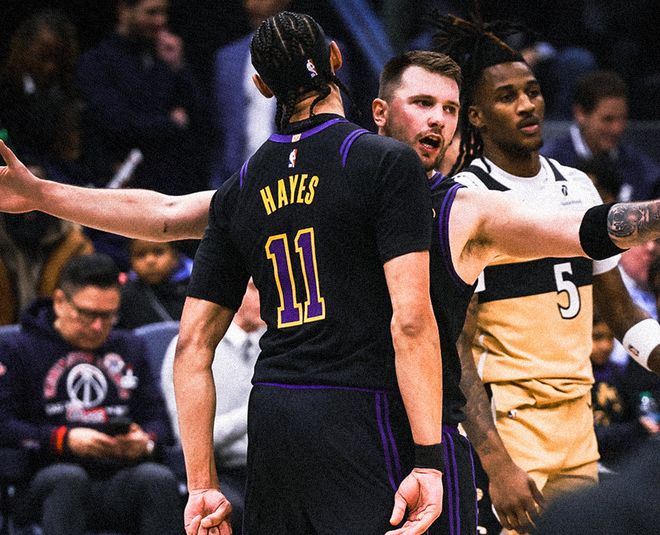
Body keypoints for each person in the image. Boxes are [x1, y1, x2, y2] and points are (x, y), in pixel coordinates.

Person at [2, 35, 660, 534]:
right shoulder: (337, 176)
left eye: (451, 109)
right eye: (422, 103)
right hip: (357, 429)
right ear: (380, 111)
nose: (437, 121)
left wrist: (42, 195)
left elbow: (588, 228)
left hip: (364, 430)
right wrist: (42, 195)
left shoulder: (462, 207)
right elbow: (168, 213)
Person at [176, 12, 445, 535]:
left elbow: (191, 346)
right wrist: (428, 460)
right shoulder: (385, 163)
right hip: (356, 407)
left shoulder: (239, 187)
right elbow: (411, 322)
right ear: (336, 58)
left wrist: (202, 485)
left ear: (262, 85)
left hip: (272, 412)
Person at [428, 11, 660, 528]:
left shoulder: (577, 185)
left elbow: (622, 313)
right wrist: (496, 463)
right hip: (511, 425)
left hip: (579, 422)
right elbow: (454, 345)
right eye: (506, 96)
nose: (527, 104)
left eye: (532, 91)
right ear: (475, 116)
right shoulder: (467, 198)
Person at [0, 253, 182, 535]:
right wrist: (63, 439)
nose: (98, 327)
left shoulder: (130, 346)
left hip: (118, 474)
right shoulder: (18, 348)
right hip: (45, 476)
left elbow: (159, 420)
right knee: (68, 479)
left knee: (157, 479)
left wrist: (144, 441)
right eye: (87, 314)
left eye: (108, 316)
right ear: (60, 302)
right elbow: (5, 426)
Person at [161, 279, 265, 534]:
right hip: (221, 471)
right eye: (255, 288)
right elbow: (188, 437)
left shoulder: (281, 346)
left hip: (277, 467)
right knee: (233, 510)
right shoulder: (188, 350)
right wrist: (260, 407)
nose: (266, 295)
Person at [76, 0, 211, 195]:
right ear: (124, 11)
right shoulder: (97, 62)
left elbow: (202, 120)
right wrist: (170, 123)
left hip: (173, 185)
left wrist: (178, 66)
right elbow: (116, 123)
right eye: (151, 13)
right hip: (122, 186)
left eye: (164, 12)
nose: (161, 20)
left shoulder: (164, 58)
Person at [542, 70, 660, 202]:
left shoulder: (645, 173)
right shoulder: (546, 166)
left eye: (622, 119)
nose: (617, 129)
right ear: (581, 114)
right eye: (608, 119)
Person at [0, 161, 93, 325]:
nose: (28, 213)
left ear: (49, 200)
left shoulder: (76, 246)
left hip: (56, 334)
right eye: (19, 195)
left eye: (33, 196)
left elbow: (86, 306)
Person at [591, 311, 660, 473]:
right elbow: (591, 435)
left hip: (620, 462)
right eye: (597, 337)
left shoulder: (618, 373)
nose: (606, 346)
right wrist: (637, 429)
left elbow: (635, 413)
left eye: (610, 338)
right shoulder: (576, 381)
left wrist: (644, 424)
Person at [117, 238, 192, 328]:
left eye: (158, 252)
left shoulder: (193, 287)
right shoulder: (125, 296)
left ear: (175, 255)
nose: (150, 260)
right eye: (141, 254)